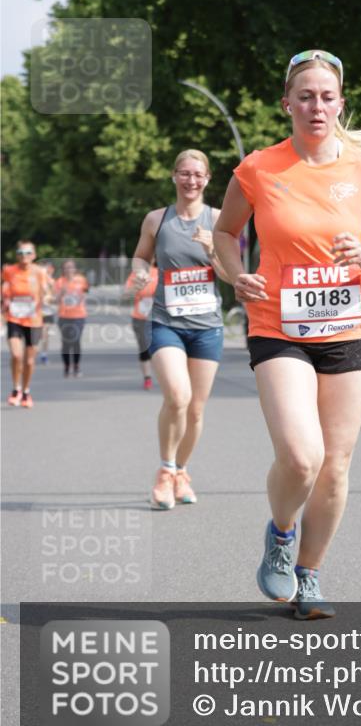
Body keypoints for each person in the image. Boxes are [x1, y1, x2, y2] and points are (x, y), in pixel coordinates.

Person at [214, 49, 361, 619]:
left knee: (335, 464)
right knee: (302, 456)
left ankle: (311, 576)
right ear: (287, 105)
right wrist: (236, 274)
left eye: (327, 96)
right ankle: (280, 535)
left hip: (350, 326)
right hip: (279, 325)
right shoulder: (258, 168)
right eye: (305, 96)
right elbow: (226, 233)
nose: (316, 105)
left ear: (341, 103)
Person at [131, 150, 228, 510]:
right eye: (185, 174)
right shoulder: (157, 220)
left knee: (196, 411)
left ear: (207, 179)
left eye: (198, 175)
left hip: (206, 326)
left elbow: (233, 275)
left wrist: (213, 250)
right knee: (177, 396)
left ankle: (182, 471)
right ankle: (165, 471)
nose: (191, 181)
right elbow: (142, 255)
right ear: (174, 176)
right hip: (166, 321)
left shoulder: (219, 219)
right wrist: (141, 270)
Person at [2, 241, 50, 408]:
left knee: (29, 361)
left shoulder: (39, 272)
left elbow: (47, 292)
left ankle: (26, 392)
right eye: (21, 252)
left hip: (34, 320)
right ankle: (16, 389)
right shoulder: (9, 271)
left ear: (34, 255)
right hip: (14, 318)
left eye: (28, 252)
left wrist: (46, 298)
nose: (24, 256)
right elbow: (4, 289)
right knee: (16, 355)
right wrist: (5, 300)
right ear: (17, 255)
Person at [124, 264, 158, 390]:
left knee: (159, 347)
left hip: (158, 317)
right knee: (144, 348)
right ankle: (147, 378)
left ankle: (162, 376)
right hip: (140, 317)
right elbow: (127, 293)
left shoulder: (159, 272)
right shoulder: (135, 274)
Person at [54, 259, 89, 377]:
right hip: (64, 316)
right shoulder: (59, 282)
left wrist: (80, 297)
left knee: (76, 340)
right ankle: (67, 366)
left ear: (75, 269)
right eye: (66, 267)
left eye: (71, 267)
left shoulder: (81, 280)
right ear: (63, 270)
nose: (69, 270)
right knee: (66, 343)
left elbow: (85, 293)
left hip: (79, 315)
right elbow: (56, 300)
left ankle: (76, 366)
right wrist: (62, 293)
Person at [38, 261, 56, 363]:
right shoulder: (35, 281)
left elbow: (55, 296)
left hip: (47, 311)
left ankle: (44, 354)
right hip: (35, 311)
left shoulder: (52, 281)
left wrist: (50, 298)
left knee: (45, 334)